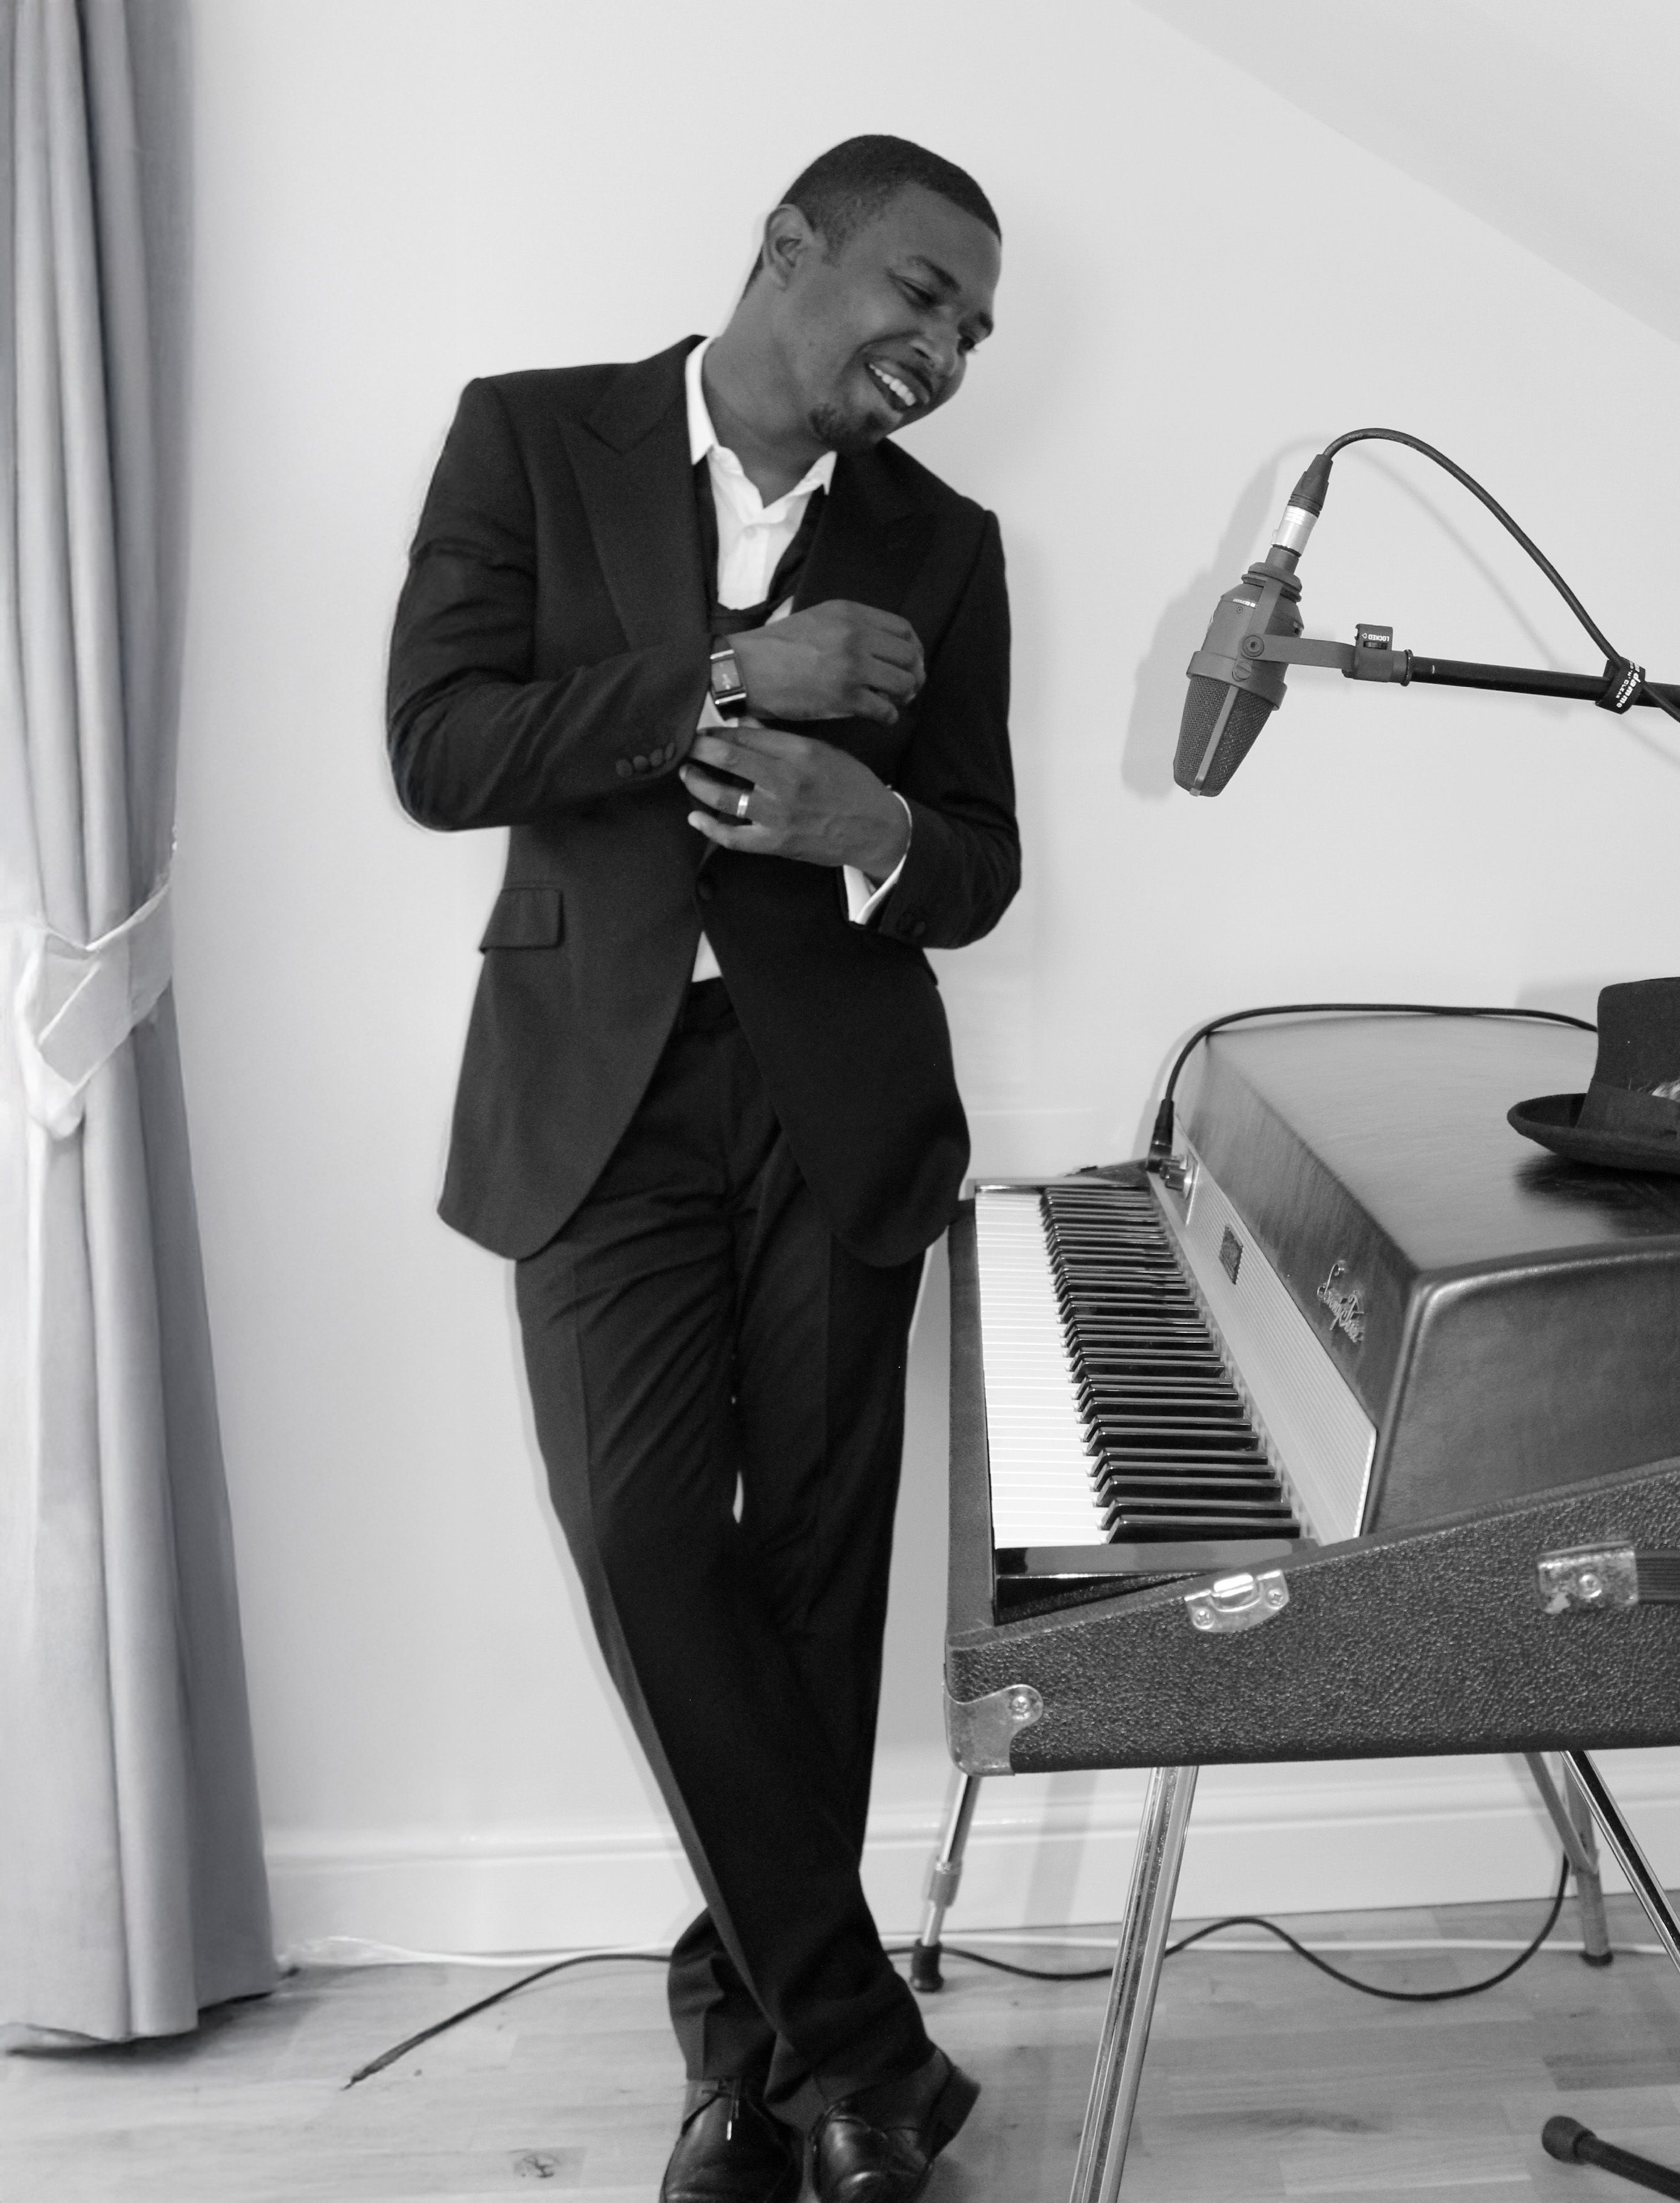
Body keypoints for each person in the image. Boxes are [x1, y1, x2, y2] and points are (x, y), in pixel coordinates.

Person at [386, 135, 1016, 2203]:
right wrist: (736, 677)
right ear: (789, 246)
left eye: (974, 329)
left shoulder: (945, 541)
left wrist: (870, 826)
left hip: (839, 1108)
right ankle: (865, 2045)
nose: (945, 347)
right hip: (598, 1096)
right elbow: (439, 746)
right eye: (921, 292)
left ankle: (764, 2076)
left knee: (815, 1595)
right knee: (648, 1541)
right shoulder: (531, 438)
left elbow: (980, 863)